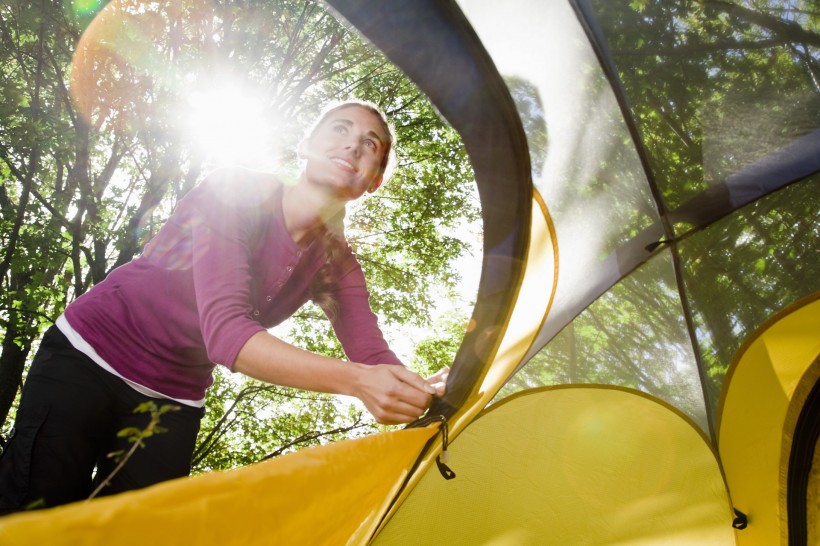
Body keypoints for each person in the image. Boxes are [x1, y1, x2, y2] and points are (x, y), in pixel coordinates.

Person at [0, 99, 448, 514]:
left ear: (374, 180)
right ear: (306, 146)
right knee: (34, 514)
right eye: (340, 128)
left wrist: (426, 390)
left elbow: (373, 357)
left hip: (174, 395)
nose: (353, 142)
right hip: (88, 356)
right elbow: (228, 334)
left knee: (133, 533)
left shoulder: (337, 266)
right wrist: (359, 383)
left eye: (370, 144)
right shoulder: (235, 192)